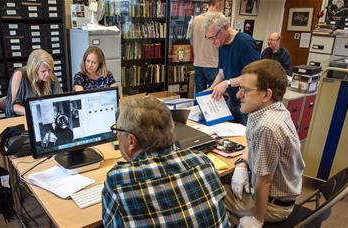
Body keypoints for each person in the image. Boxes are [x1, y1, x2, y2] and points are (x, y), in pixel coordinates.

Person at [102, 96, 230, 227]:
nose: (117, 136)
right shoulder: (202, 160)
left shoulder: (118, 181)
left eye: (117, 131)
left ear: (131, 141)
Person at [223, 59, 305, 227]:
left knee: (211, 194)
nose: (239, 95)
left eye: (244, 90)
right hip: (274, 196)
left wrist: (257, 220)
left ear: (266, 94)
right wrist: (241, 163)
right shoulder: (269, 109)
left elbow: (264, 181)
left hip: (273, 207)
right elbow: (251, 143)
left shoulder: (267, 127)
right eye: (240, 89)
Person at [203, 12, 259, 125]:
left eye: (215, 37)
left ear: (225, 27)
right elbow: (222, 73)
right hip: (232, 100)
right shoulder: (222, 44)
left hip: (247, 103)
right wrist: (211, 88)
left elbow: (255, 75)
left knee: (245, 139)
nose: (213, 42)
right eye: (209, 38)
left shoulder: (245, 43)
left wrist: (227, 83)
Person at [5, 49, 62, 117]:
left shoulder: (51, 77)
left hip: (46, 118)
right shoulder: (20, 76)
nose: (48, 74)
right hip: (24, 118)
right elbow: (13, 106)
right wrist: (35, 112)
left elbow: (60, 101)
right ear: (34, 70)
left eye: (49, 70)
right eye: (43, 71)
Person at [189, 0, 223, 92]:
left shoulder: (196, 19)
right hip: (213, 63)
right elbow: (223, 42)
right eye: (221, 6)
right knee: (214, 94)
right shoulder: (220, 19)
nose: (222, 9)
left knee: (200, 94)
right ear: (217, 4)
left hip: (198, 62)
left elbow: (191, 40)